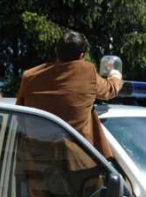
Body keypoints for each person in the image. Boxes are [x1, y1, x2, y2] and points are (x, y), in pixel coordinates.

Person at [16, 30, 124, 160]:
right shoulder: (85, 73)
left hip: (35, 160)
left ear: (57, 52)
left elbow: (20, 115)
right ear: (81, 56)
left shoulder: (30, 76)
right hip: (75, 164)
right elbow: (109, 90)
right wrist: (115, 76)